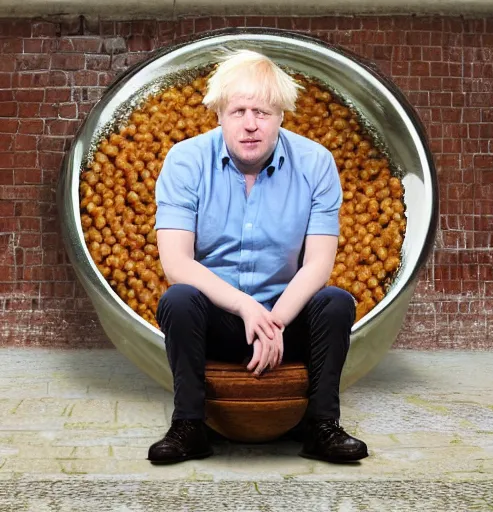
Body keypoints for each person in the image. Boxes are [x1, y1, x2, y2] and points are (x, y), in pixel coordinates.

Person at [148, 49, 368, 465]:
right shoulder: (185, 160)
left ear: (282, 115)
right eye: (239, 111)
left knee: (337, 302)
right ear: (218, 114)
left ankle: (321, 426)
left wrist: (275, 320)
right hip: (219, 319)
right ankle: (189, 426)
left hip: (287, 320)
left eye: (263, 113)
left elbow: (318, 263)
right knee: (177, 299)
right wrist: (247, 308)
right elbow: (176, 263)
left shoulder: (316, 163)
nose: (250, 124)